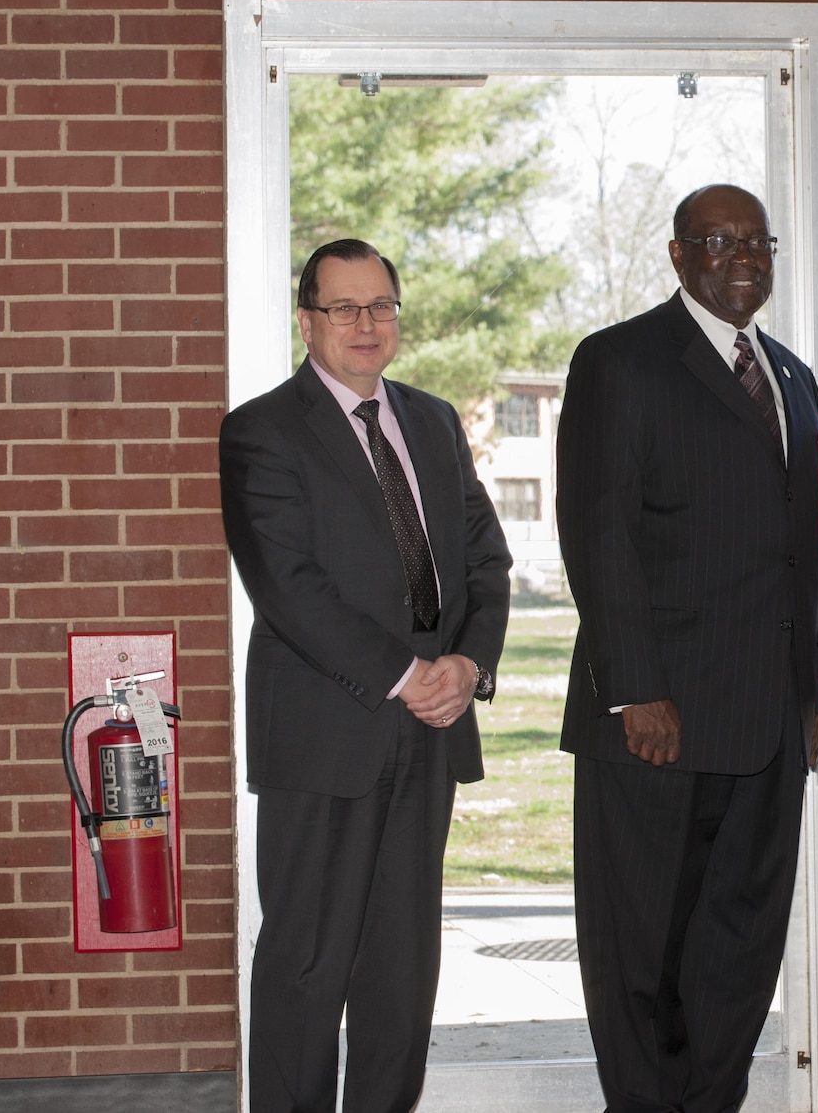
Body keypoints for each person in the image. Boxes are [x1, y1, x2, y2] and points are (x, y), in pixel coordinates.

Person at [557, 183, 818, 1113]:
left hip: (767, 727)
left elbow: (806, 550)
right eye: (719, 241)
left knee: (737, 955)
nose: (743, 257)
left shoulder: (795, 377)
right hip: (658, 725)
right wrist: (635, 687)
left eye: (757, 240)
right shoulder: (621, 361)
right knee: (643, 954)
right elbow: (598, 532)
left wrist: (816, 693)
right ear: (678, 256)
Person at [221, 238, 511, 1113]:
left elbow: (485, 562)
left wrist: (467, 663)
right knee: (307, 968)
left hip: (429, 735)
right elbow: (286, 583)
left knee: (401, 970)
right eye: (344, 307)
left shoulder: (430, 420)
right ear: (307, 319)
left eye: (380, 305)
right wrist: (404, 672)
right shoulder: (261, 430)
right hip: (326, 733)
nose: (365, 323)